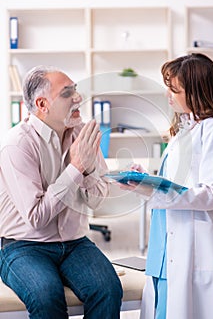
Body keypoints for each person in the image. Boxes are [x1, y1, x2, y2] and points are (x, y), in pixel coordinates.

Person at [0, 66, 123, 319]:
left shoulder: (82, 135)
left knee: (108, 289)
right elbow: (36, 217)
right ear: (42, 104)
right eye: (68, 93)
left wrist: (87, 171)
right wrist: (76, 168)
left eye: (75, 90)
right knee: (46, 296)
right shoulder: (18, 144)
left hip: (74, 242)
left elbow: (99, 200)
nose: (78, 98)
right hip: (23, 246)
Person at [119, 53, 213, 319]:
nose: (168, 96)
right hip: (164, 246)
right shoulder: (184, 130)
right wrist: (144, 181)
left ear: (197, 92)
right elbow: (177, 184)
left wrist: (157, 189)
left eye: (175, 90)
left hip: (193, 249)